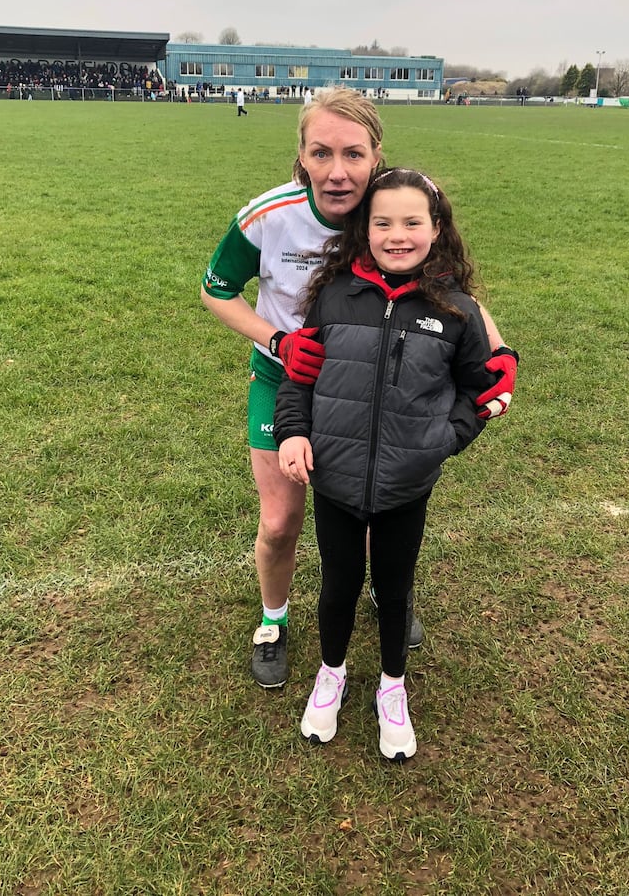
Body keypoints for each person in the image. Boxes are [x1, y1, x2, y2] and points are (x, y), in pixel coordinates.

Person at [200, 88, 518, 690]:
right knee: (279, 521)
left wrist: (498, 352)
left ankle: (386, 594)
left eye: (353, 154)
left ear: (376, 156)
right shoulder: (268, 215)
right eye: (321, 153)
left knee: (376, 499)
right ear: (300, 156)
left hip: (372, 386)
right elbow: (214, 291)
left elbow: (447, 282)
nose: (337, 171)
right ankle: (273, 620)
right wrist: (278, 341)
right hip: (288, 380)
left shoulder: (392, 207)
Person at [274, 167, 495, 760]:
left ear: (437, 227)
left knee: (395, 589)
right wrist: (294, 433)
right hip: (336, 479)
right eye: (382, 222)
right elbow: (301, 376)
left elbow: (482, 389)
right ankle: (332, 674)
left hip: (406, 485)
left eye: (412, 222)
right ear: (363, 230)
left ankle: (392, 687)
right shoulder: (334, 294)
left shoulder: (456, 310)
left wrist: (442, 440)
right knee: (339, 585)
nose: (397, 234)